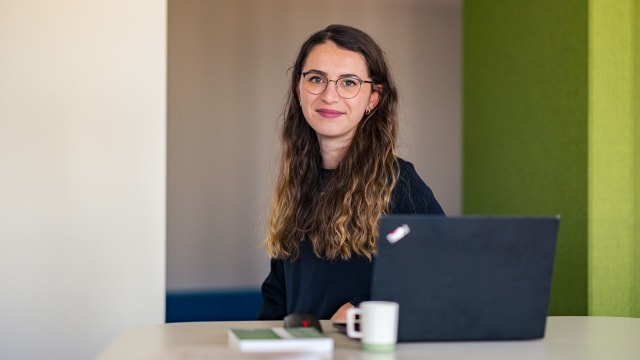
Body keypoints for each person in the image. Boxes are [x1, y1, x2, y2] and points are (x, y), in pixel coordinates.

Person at [257, 24, 444, 322]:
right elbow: (277, 298)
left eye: (348, 82)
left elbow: (440, 278)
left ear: (373, 98)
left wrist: (361, 307)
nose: (330, 96)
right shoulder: (297, 183)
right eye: (317, 79)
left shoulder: (399, 183)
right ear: (298, 87)